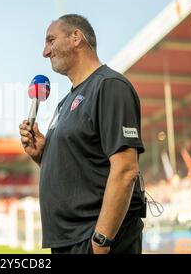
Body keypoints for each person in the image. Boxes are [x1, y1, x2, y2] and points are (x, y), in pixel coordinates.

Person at [19, 14, 145, 254]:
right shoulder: (65, 103)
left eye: (51, 40)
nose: (45, 52)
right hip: (67, 242)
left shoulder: (109, 86)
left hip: (94, 240)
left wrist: (101, 240)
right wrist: (42, 157)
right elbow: (80, 168)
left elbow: (126, 170)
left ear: (76, 37)